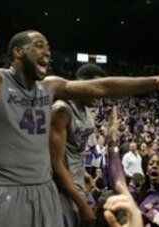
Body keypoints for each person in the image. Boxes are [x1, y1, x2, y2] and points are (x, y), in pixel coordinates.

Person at [0, 26, 159, 227]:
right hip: (8, 193)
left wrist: (155, 82)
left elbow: (101, 86)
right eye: (38, 45)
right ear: (17, 52)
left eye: (48, 47)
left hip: (45, 190)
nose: (47, 52)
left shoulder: (49, 87)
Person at [49, 63, 107, 227]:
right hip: (61, 188)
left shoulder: (88, 111)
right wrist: (81, 203)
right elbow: (56, 163)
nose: (100, 94)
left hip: (77, 181)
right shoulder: (61, 110)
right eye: (96, 88)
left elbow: (76, 150)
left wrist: (83, 173)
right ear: (81, 83)